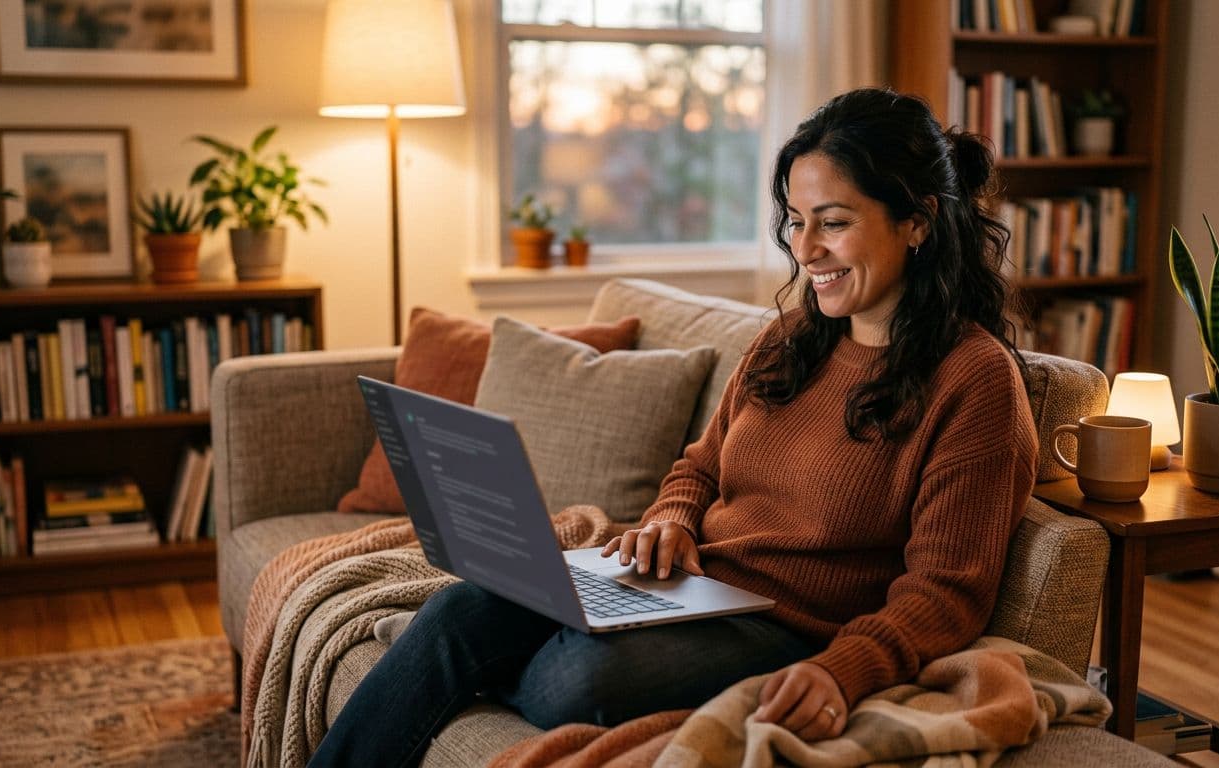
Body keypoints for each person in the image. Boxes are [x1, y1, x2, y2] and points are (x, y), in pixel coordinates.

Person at [307, 87, 1038, 767]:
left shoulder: (974, 383)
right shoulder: (791, 339)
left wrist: (842, 670)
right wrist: (672, 521)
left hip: (789, 628)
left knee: (572, 679)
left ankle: (494, 663)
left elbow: (947, 590)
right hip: (688, 587)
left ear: (917, 220)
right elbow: (699, 467)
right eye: (795, 219)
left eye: (834, 223)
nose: (805, 248)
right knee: (459, 607)